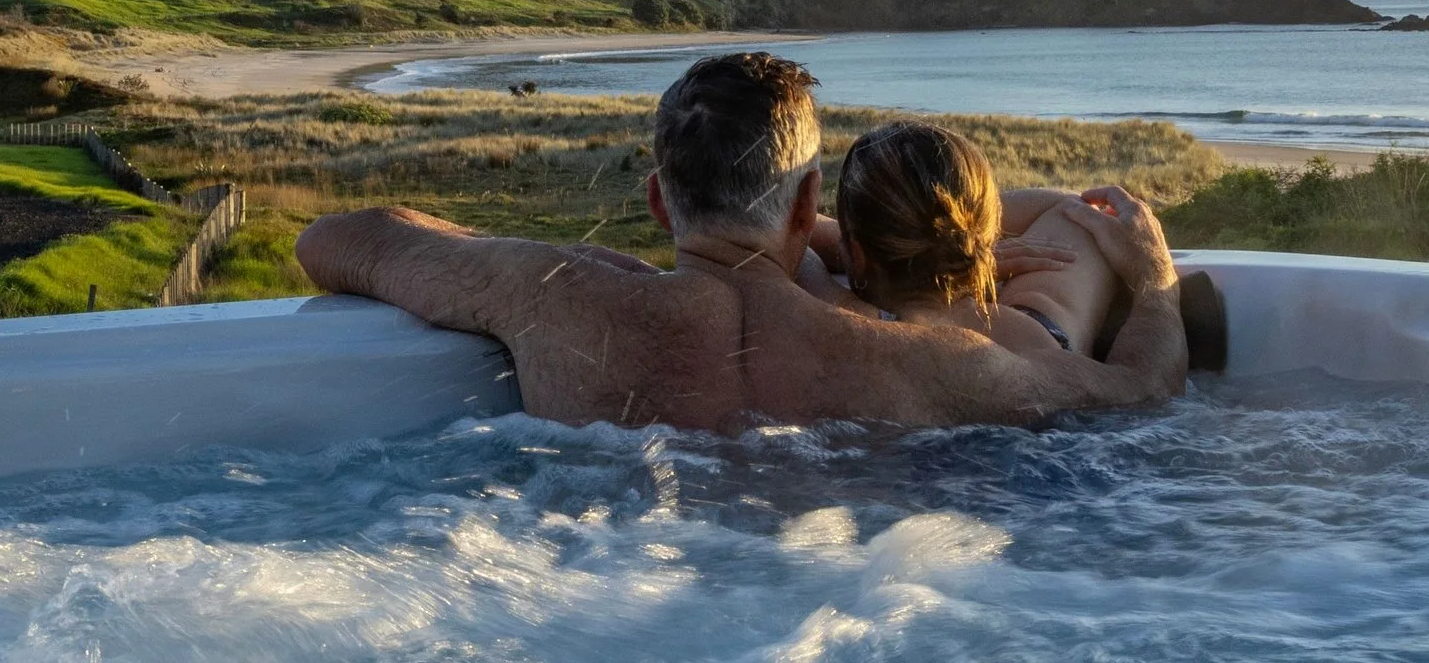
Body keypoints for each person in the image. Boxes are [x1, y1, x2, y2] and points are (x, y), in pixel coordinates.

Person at [294, 51, 1188, 432]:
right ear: (808, 205)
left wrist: (528, 257)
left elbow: (338, 239)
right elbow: (1140, 392)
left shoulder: (551, 292)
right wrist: (1154, 284)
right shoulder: (930, 363)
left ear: (658, 199)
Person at [807, 120, 1124, 359]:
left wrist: (909, 242)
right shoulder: (1040, 340)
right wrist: (956, 250)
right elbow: (1074, 208)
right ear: (986, 229)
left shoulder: (841, 318)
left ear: (857, 254)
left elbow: (796, 232)